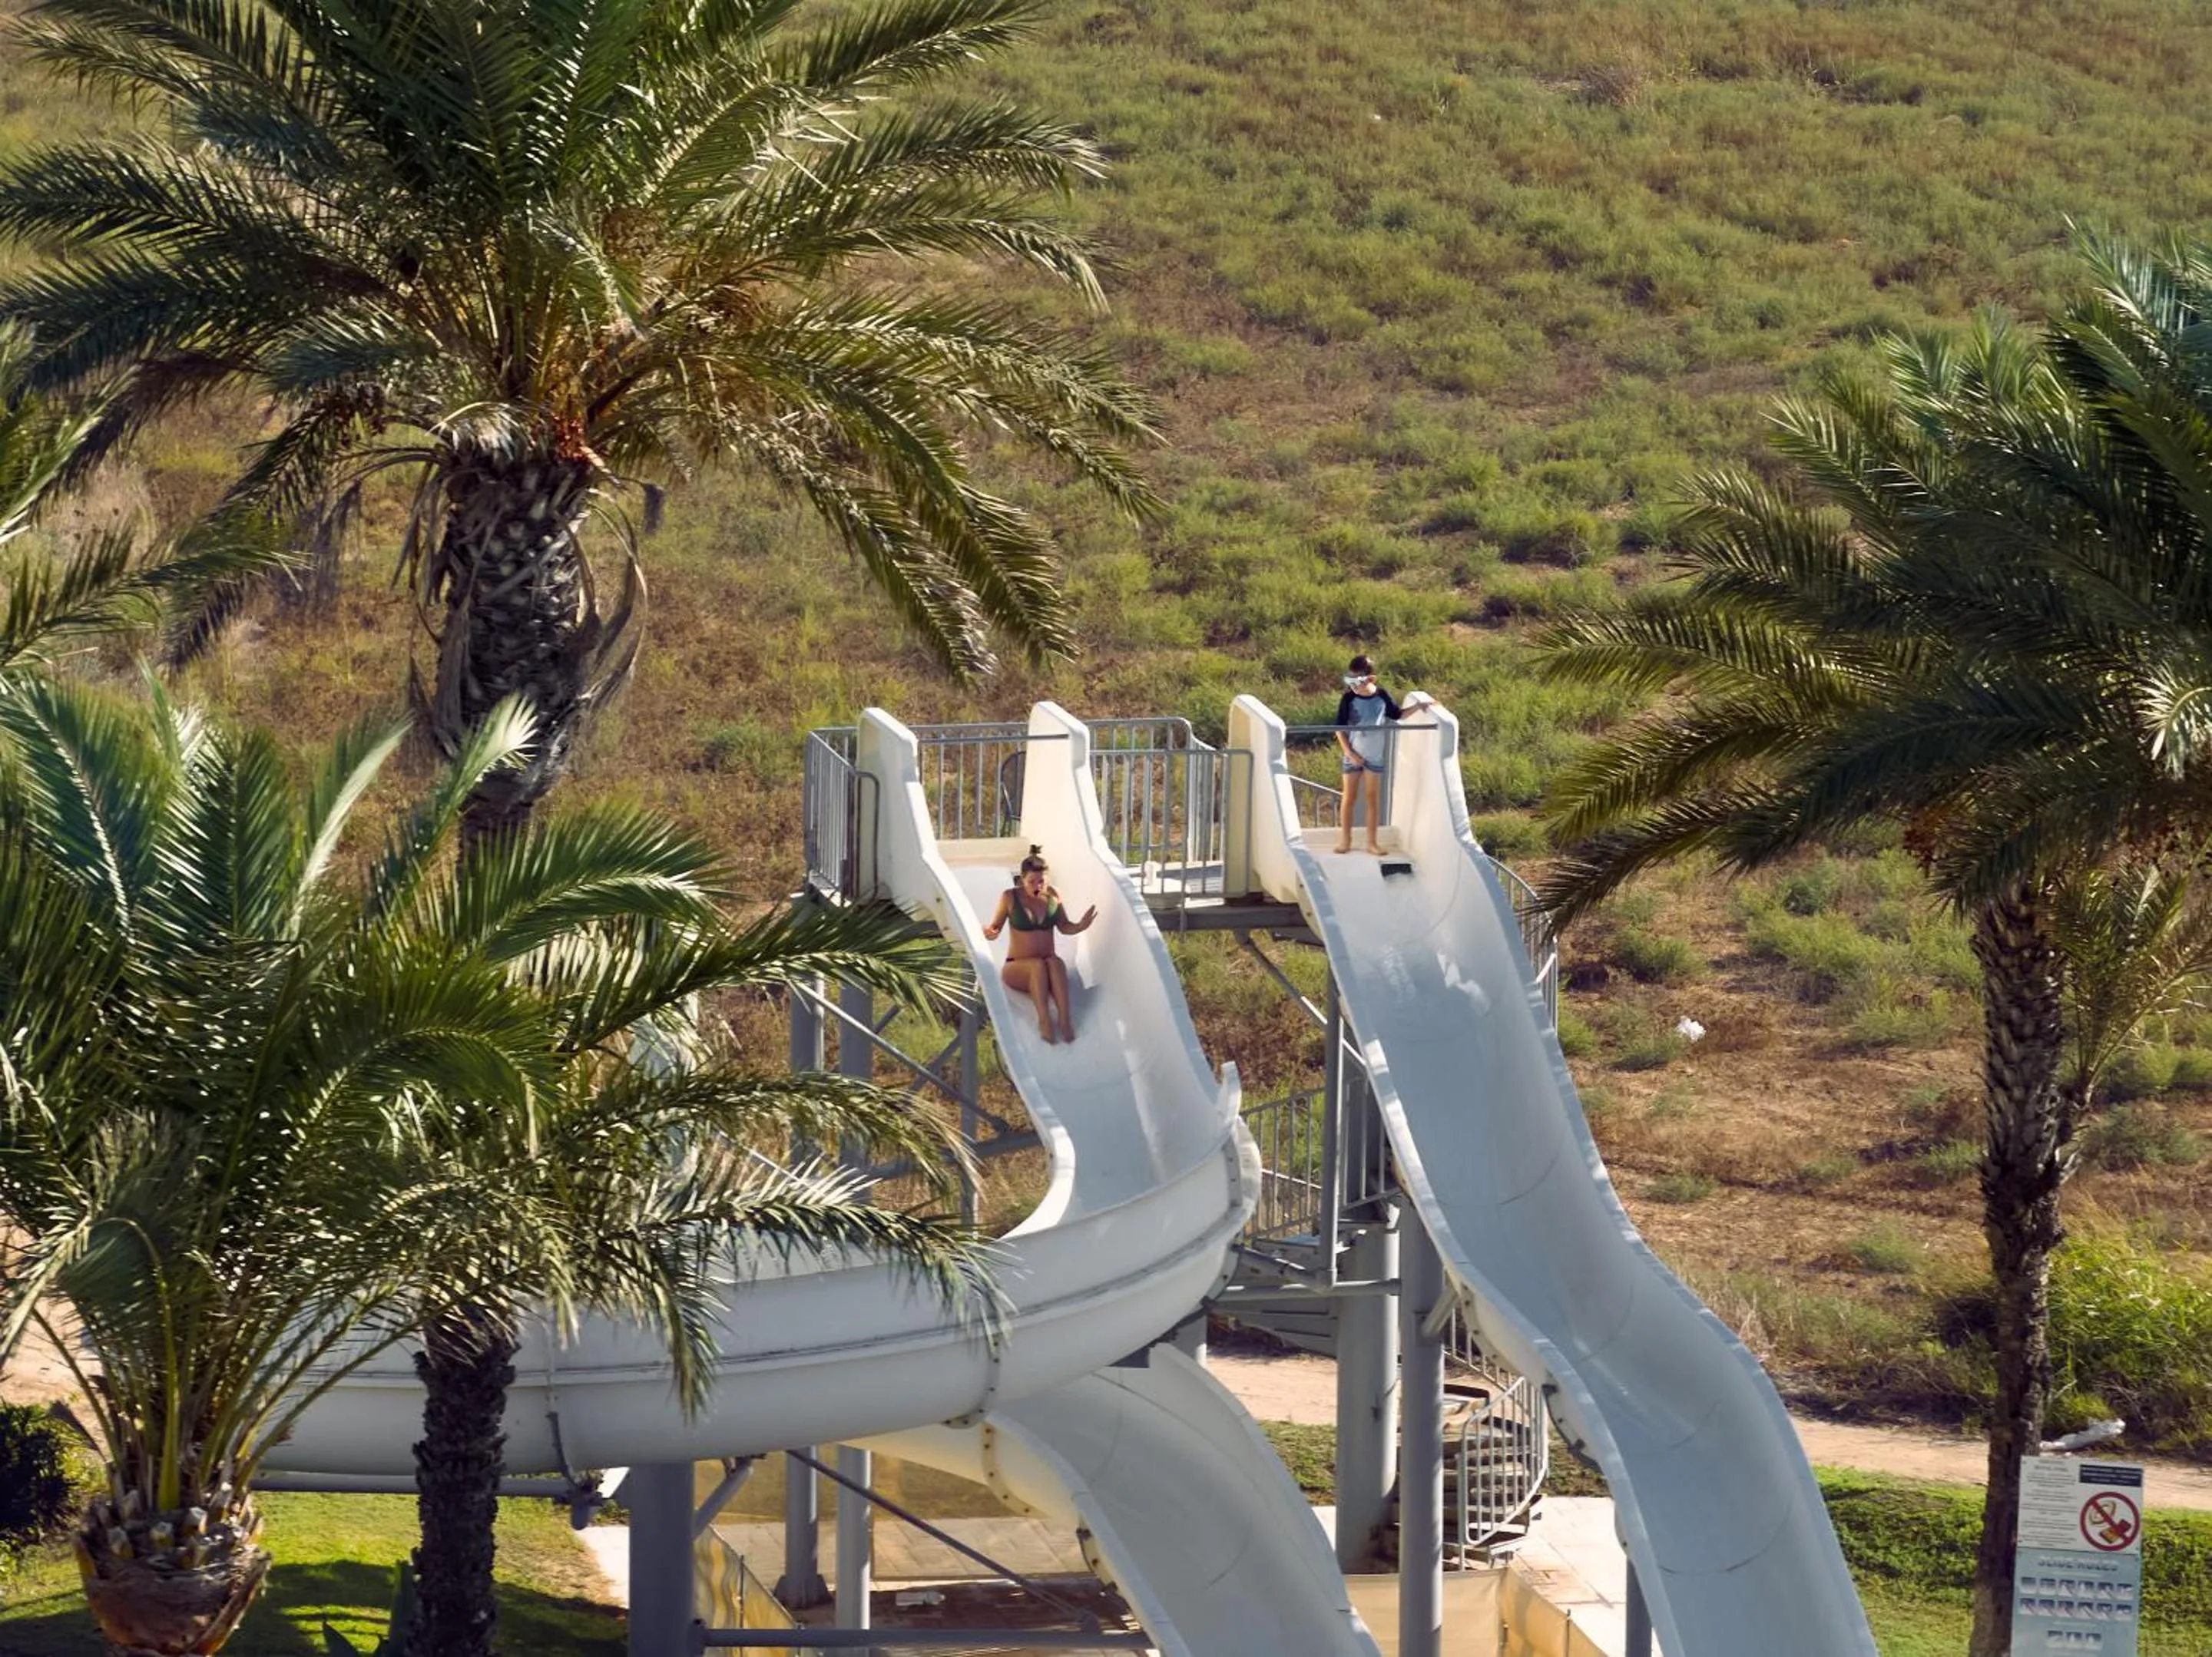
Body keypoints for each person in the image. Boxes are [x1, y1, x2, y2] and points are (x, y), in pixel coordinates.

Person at [981, 845, 1098, 1043]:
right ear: (1021, 880)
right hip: (1017, 967)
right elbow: (995, 929)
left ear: (1048, 880)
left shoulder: (1053, 895)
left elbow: (1064, 926)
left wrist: (1080, 926)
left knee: (1055, 962)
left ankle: (1064, 1019)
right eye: (1032, 882)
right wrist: (988, 933)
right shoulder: (1010, 897)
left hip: (1047, 965)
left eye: (1041, 881)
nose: (1037, 886)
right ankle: (1044, 1020)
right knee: (1037, 965)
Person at [1333, 654, 1423, 855]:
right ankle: (1345, 841)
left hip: (1374, 756)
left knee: (1372, 799)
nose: (1354, 686)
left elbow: (1397, 714)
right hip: (1353, 754)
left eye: (1358, 681)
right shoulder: (1349, 698)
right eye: (1350, 680)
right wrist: (1349, 752)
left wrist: (1419, 707)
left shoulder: (1381, 696)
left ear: (1371, 679)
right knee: (1349, 797)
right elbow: (1339, 728)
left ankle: (1372, 843)